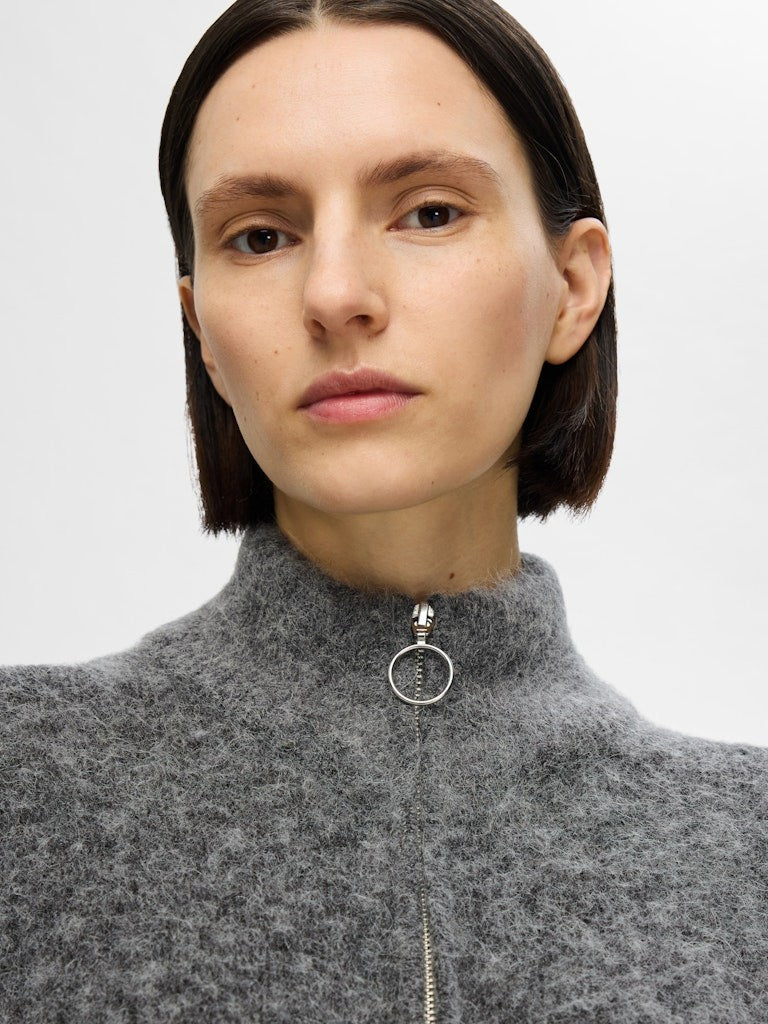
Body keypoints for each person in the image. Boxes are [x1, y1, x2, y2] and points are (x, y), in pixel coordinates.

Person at [1, 0, 766, 1021]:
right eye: (260, 236)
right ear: (204, 333)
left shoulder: (743, 845)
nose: (335, 294)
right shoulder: (26, 780)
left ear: (573, 288)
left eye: (430, 213)